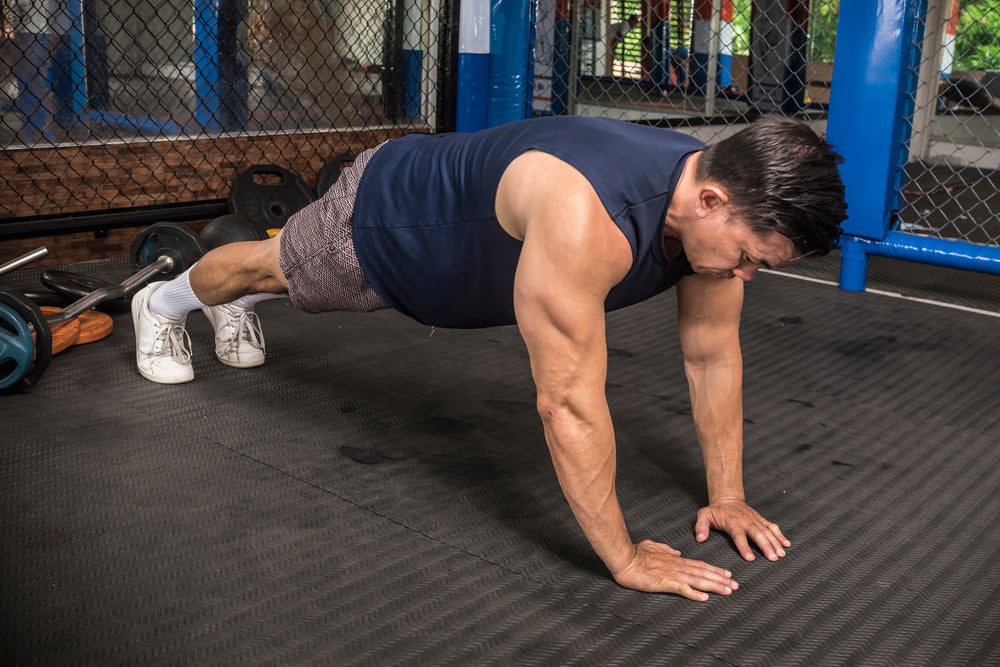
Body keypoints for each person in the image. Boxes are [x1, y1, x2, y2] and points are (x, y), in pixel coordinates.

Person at [131, 114, 847, 600]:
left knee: (271, 282)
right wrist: (625, 556)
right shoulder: (585, 214)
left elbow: (713, 355)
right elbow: (565, 401)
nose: (745, 276)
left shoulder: (712, 222)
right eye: (750, 258)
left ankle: (220, 305)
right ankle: (162, 304)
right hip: (388, 225)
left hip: (461, 267)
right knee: (272, 270)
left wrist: (726, 495)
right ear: (713, 198)